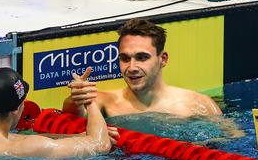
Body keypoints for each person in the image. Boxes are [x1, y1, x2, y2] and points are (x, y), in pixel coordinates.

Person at [0, 67, 112, 159]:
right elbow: (100, 145)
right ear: (16, 109)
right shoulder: (26, 149)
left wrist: (77, 136)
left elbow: (11, 137)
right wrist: (89, 98)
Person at [63, 18, 222, 118]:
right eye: (125, 58)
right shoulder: (104, 103)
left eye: (142, 58)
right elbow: (71, 121)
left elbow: (230, 143)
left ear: (163, 59)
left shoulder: (198, 105)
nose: (131, 67)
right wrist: (75, 100)